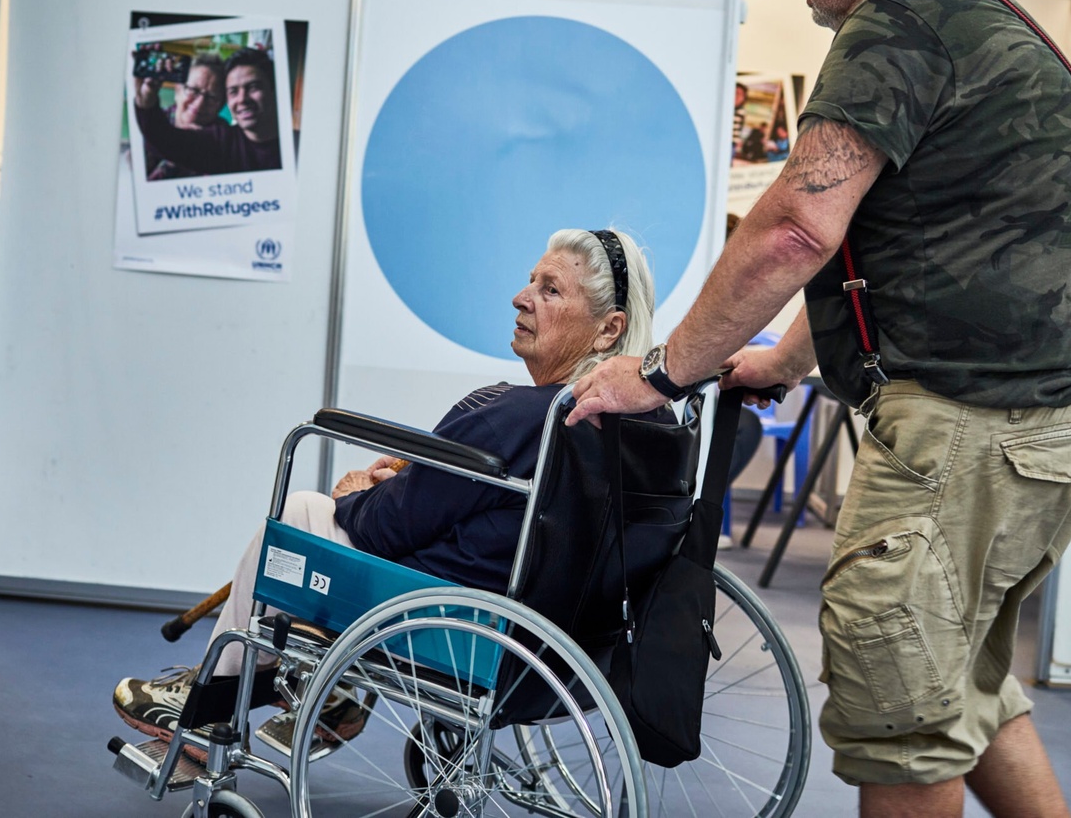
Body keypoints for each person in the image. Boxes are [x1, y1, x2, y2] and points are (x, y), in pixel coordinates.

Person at [569, 0, 1071, 818]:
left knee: (899, 713)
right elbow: (910, 242)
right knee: (962, 688)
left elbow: (795, 226)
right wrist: (781, 356)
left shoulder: (901, 27)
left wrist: (661, 371)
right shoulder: (1000, 21)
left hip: (967, 431)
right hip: (1049, 426)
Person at [112, 228, 661, 752]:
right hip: (567, 645)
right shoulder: (637, 431)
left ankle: (208, 704)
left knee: (305, 513)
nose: (521, 298)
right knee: (358, 529)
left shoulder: (516, 417)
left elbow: (384, 527)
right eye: (531, 281)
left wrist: (354, 494)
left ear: (608, 330)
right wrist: (417, 476)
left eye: (549, 289)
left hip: (464, 628)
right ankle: (333, 695)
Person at [133, 46, 283, 178]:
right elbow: (163, 139)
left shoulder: (295, 146)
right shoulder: (222, 142)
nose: (242, 99)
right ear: (178, 88)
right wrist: (146, 97)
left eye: (253, 87)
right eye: (233, 91)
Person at [144, 53, 226, 181]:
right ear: (178, 89)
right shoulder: (153, 120)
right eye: (193, 90)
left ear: (220, 106)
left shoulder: (223, 138)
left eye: (212, 97)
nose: (199, 104)